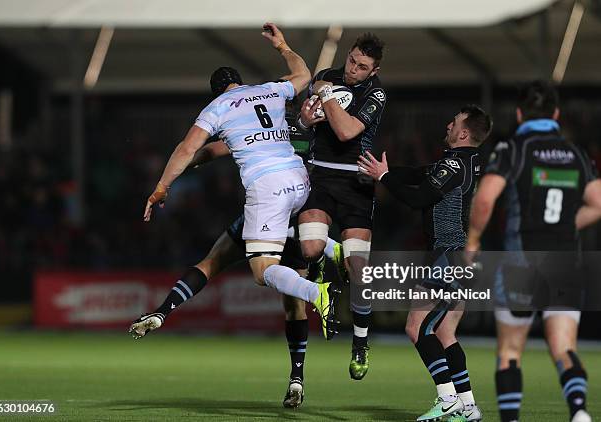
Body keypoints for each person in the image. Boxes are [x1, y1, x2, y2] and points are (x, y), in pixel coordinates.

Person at [136, 23, 338, 348]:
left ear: (217, 92)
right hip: (299, 181)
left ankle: (318, 292)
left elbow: (192, 149)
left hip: (268, 189)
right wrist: (283, 46)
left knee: (262, 272)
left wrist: (163, 185)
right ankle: (332, 248)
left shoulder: (218, 108)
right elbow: (303, 73)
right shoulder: (271, 92)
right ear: (239, 83)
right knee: (280, 236)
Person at [467, 81, 601, 422]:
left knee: (510, 352)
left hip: (521, 261)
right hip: (565, 263)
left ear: (519, 114)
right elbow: (598, 203)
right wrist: (568, 225)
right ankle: (579, 410)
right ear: (555, 114)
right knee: (564, 348)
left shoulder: (514, 149)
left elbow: (485, 198)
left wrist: (473, 241)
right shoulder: (576, 153)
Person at [358, 105, 492, 421]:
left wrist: (385, 178)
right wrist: (385, 171)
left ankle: (446, 398)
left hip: (447, 252)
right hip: (465, 255)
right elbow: (422, 174)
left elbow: (419, 197)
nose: (448, 124)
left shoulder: (453, 162)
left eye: (454, 122)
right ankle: (469, 406)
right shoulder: (472, 162)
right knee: (445, 332)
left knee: (417, 326)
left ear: (462, 133)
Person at [296, 32, 387, 379]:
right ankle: (334, 258)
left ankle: (360, 343)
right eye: (351, 60)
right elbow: (307, 117)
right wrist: (308, 114)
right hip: (320, 175)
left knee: (360, 273)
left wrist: (325, 95)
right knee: (309, 248)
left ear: (373, 70)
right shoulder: (328, 77)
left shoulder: (376, 94)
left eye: (362, 67)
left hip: (356, 181)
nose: (352, 69)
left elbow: (347, 131)